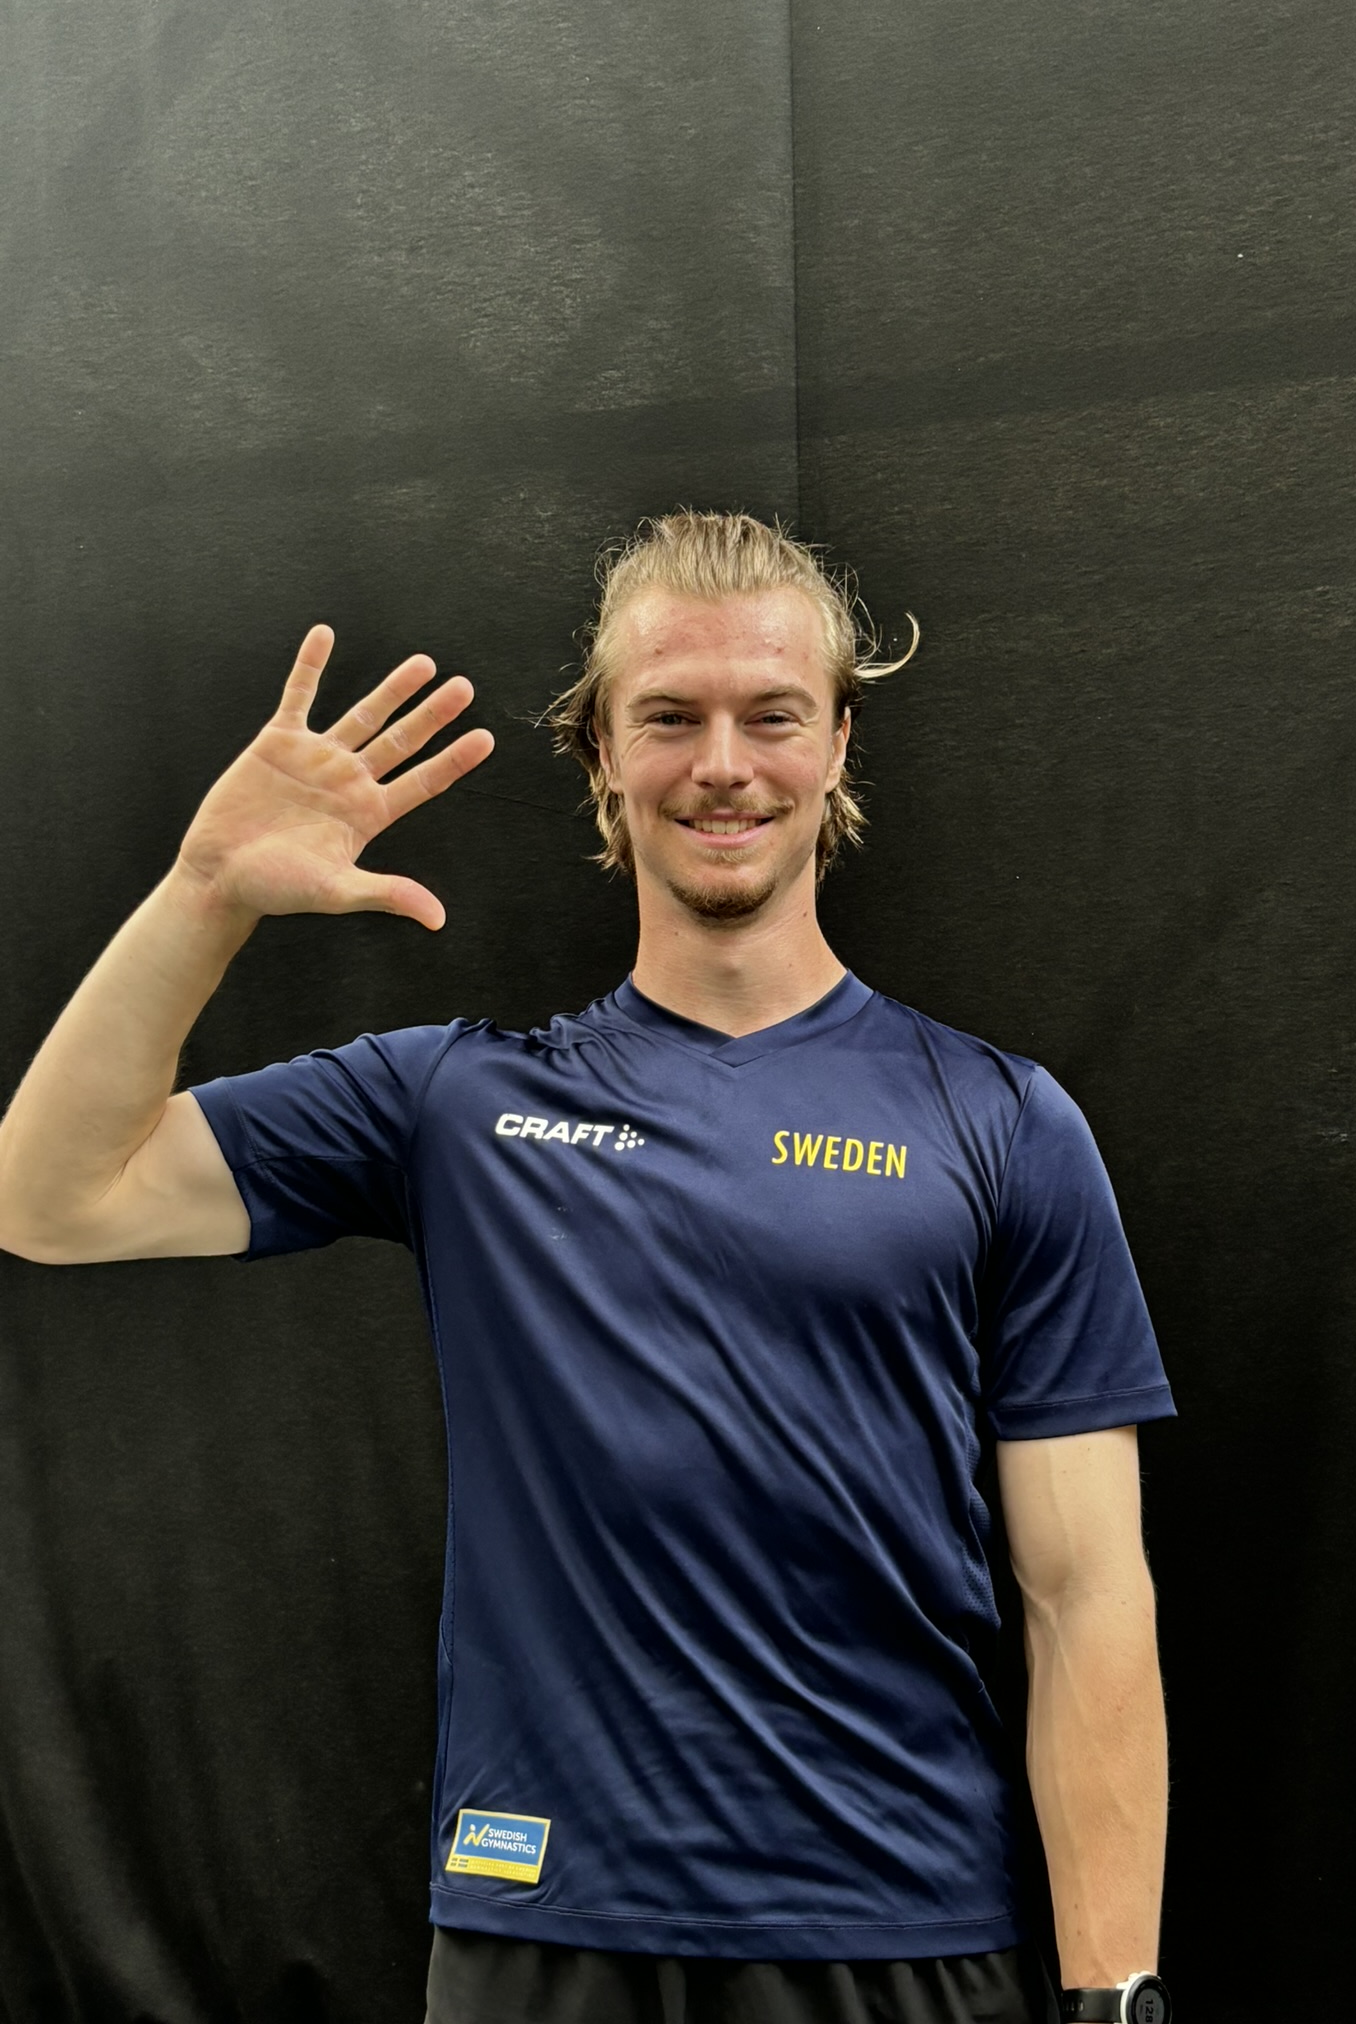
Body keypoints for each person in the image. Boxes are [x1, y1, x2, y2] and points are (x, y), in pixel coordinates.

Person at [0, 512, 1175, 2024]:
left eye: (772, 716)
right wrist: (205, 894)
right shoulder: (455, 1101)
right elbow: (49, 1195)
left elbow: (1086, 1598)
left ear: (837, 745)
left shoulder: (1001, 1122)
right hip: (543, 1927)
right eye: (669, 717)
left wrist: (1114, 1994)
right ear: (603, 754)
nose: (723, 765)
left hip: (901, 1931)